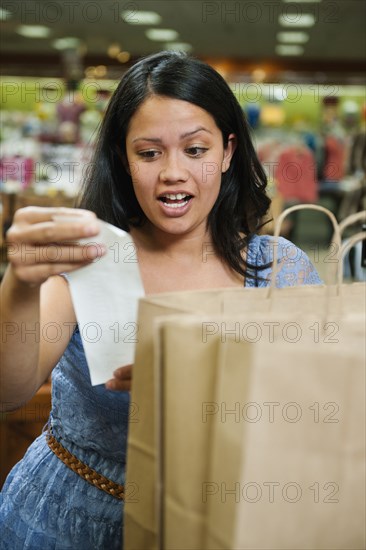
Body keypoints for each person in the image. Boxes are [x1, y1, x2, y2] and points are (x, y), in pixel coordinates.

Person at [0, 51, 322, 549]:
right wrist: (19, 282)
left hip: (216, 523)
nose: (173, 172)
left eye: (195, 150)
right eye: (149, 153)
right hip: (67, 522)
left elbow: (318, 412)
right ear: (123, 160)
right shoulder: (89, 258)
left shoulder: (281, 269)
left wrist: (200, 382)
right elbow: (9, 391)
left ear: (228, 151)